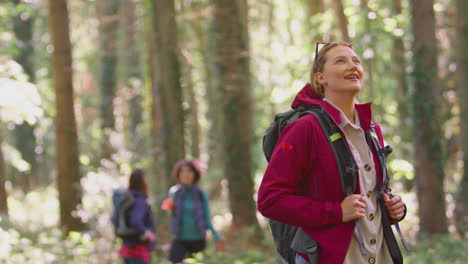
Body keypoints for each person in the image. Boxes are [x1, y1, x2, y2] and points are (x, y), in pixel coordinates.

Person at [257, 42, 407, 264]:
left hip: (381, 254)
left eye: (356, 60)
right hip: (331, 256)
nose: (352, 65)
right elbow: (270, 200)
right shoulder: (305, 128)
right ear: (320, 78)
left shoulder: (373, 129)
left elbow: (372, 190)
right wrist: (336, 212)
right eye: (340, 61)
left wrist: (395, 207)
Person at [162, 159, 224, 264]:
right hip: (179, 239)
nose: (185, 174)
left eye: (189, 171)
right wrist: (170, 208)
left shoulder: (201, 194)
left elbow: (206, 219)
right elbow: (171, 215)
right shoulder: (174, 192)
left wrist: (217, 236)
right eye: (182, 171)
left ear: (195, 174)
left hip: (197, 239)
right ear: (178, 174)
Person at [117, 169, 156, 264]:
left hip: (126, 247)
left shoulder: (126, 199)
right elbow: (135, 221)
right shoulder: (139, 201)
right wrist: (147, 234)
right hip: (138, 249)